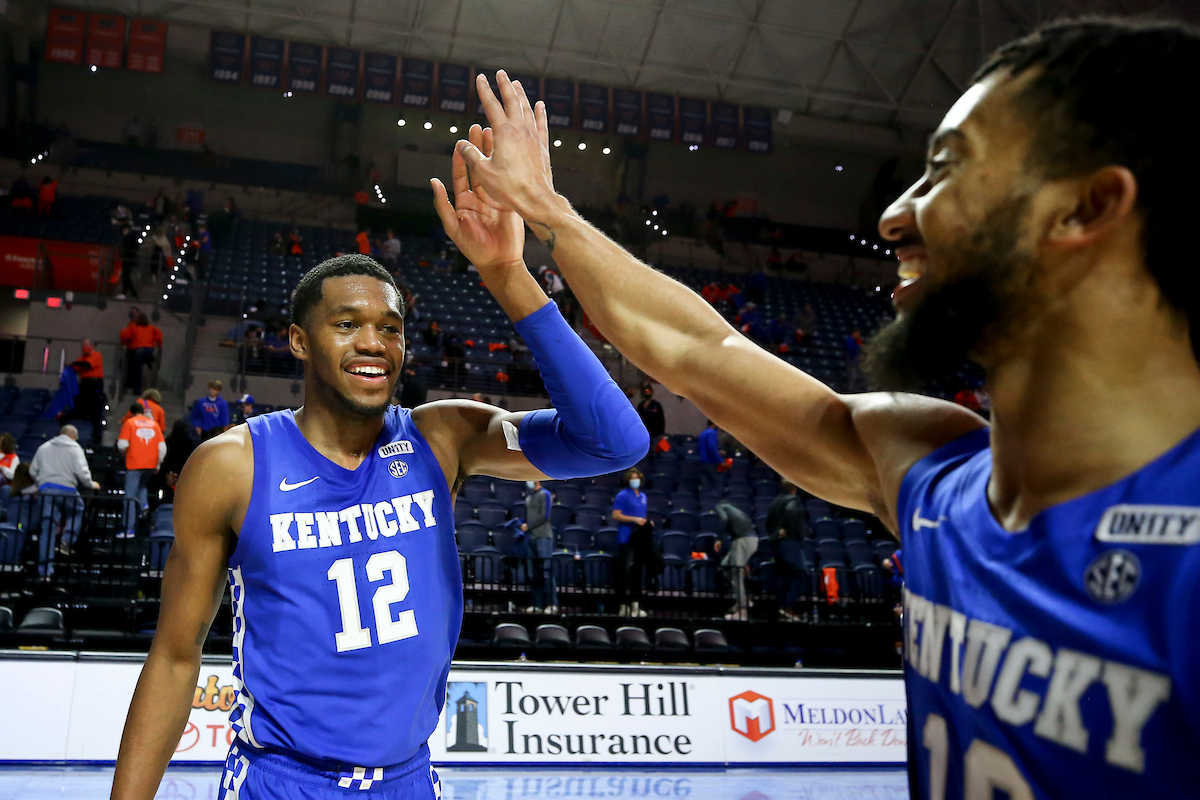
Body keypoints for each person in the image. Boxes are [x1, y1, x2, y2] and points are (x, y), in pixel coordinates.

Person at [460, 43, 1200, 796]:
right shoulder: (928, 465)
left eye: (947, 167)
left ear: (1087, 207)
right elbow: (695, 346)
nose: (892, 216)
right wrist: (546, 214)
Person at [112, 123, 647, 798]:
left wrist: (506, 275)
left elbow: (615, 442)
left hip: (409, 781)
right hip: (282, 782)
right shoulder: (233, 465)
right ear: (299, 343)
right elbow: (174, 654)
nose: (374, 343)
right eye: (347, 324)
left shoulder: (443, 436)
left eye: (390, 328)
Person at [29, 425, 100, 576]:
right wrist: (90, 484)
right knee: (78, 511)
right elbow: (82, 473)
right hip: (67, 490)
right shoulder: (75, 448)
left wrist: (42, 482)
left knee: (47, 529)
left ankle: (45, 573)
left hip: (46, 490)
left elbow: (32, 470)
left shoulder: (44, 447)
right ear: (73, 436)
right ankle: (66, 541)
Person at [117, 402, 166, 538]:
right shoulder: (154, 424)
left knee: (130, 497)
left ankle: (129, 529)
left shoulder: (130, 423)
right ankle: (144, 504)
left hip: (134, 463)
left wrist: (123, 453)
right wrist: (158, 464)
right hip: (150, 464)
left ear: (131, 412)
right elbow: (162, 447)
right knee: (142, 485)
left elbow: (122, 444)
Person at [610, 468, 649, 617]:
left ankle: (635, 605)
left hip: (639, 539)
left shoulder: (643, 496)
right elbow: (616, 515)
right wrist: (634, 519)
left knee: (637, 574)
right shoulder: (622, 495)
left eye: (637, 478)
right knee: (624, 573)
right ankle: (622, 605)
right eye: (632, 478)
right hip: (626, 538)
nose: (635, 481)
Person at [712, 499, 758, 620]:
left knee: (736, 573)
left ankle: (742, 612)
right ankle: (743, 600)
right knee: (726, 566)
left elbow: (723, 519)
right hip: (752, 540)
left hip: (742, 541)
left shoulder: (720, 506)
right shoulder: (738, 511)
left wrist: (718, 538)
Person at [520, 479, 556, 613]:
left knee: (546, 571)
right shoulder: (528, 497)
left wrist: (528, 526)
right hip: (531, 537)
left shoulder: (545, 494)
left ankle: (552, 604)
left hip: (543, 536)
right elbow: (528, 516)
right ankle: (537, 604)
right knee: (533, 573)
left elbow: (544, 516)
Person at [69, 338, 105, 445]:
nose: (85, 347)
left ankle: (97, 437)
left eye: (87, 345)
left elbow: (87, 365)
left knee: (96, 411)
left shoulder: (96, 355)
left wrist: (73, 363)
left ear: (92, 346)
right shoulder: (81, 359)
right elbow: (75, 369)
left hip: (95, 384)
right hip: (84, 384)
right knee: (79, 409)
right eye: (83, 345)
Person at [119, 311, 163, 395]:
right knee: (149, 366)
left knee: (137, 370)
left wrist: (123, 334)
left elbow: (125, 336)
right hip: (149, 350)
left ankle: (137, 390)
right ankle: (152, 388)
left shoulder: (133, 327)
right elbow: (159, 335)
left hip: (138, 350)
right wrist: (159, 345)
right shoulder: (151, 327)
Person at [155, 421, 196, 506]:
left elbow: (165, 459)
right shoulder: (191, 444)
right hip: (185, 475)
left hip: (169, 474)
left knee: (168, 496)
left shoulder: (168, 442)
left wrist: (169, 472)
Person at [697, 420, 724, 494]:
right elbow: (711, 447)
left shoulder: (703, 433)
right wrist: (720, 461)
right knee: (718, 485)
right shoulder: (712, 433)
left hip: (702, 462)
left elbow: (702, 448)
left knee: (705, 486)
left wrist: (717, 452)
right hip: (711, 463)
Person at [119, 225, 140, 299]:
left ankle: (133, 294)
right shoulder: (127, 237)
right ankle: (124, 292)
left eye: (124, 230)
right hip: (127, 259)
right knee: (125, 276)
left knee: (126, 276)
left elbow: (132, 248)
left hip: (129, 260)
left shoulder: (130, 238)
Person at [0, 432, 18, 499]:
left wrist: (3, 468)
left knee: (6, 489)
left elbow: (13, 475)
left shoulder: (13, 457)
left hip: (4, 485)